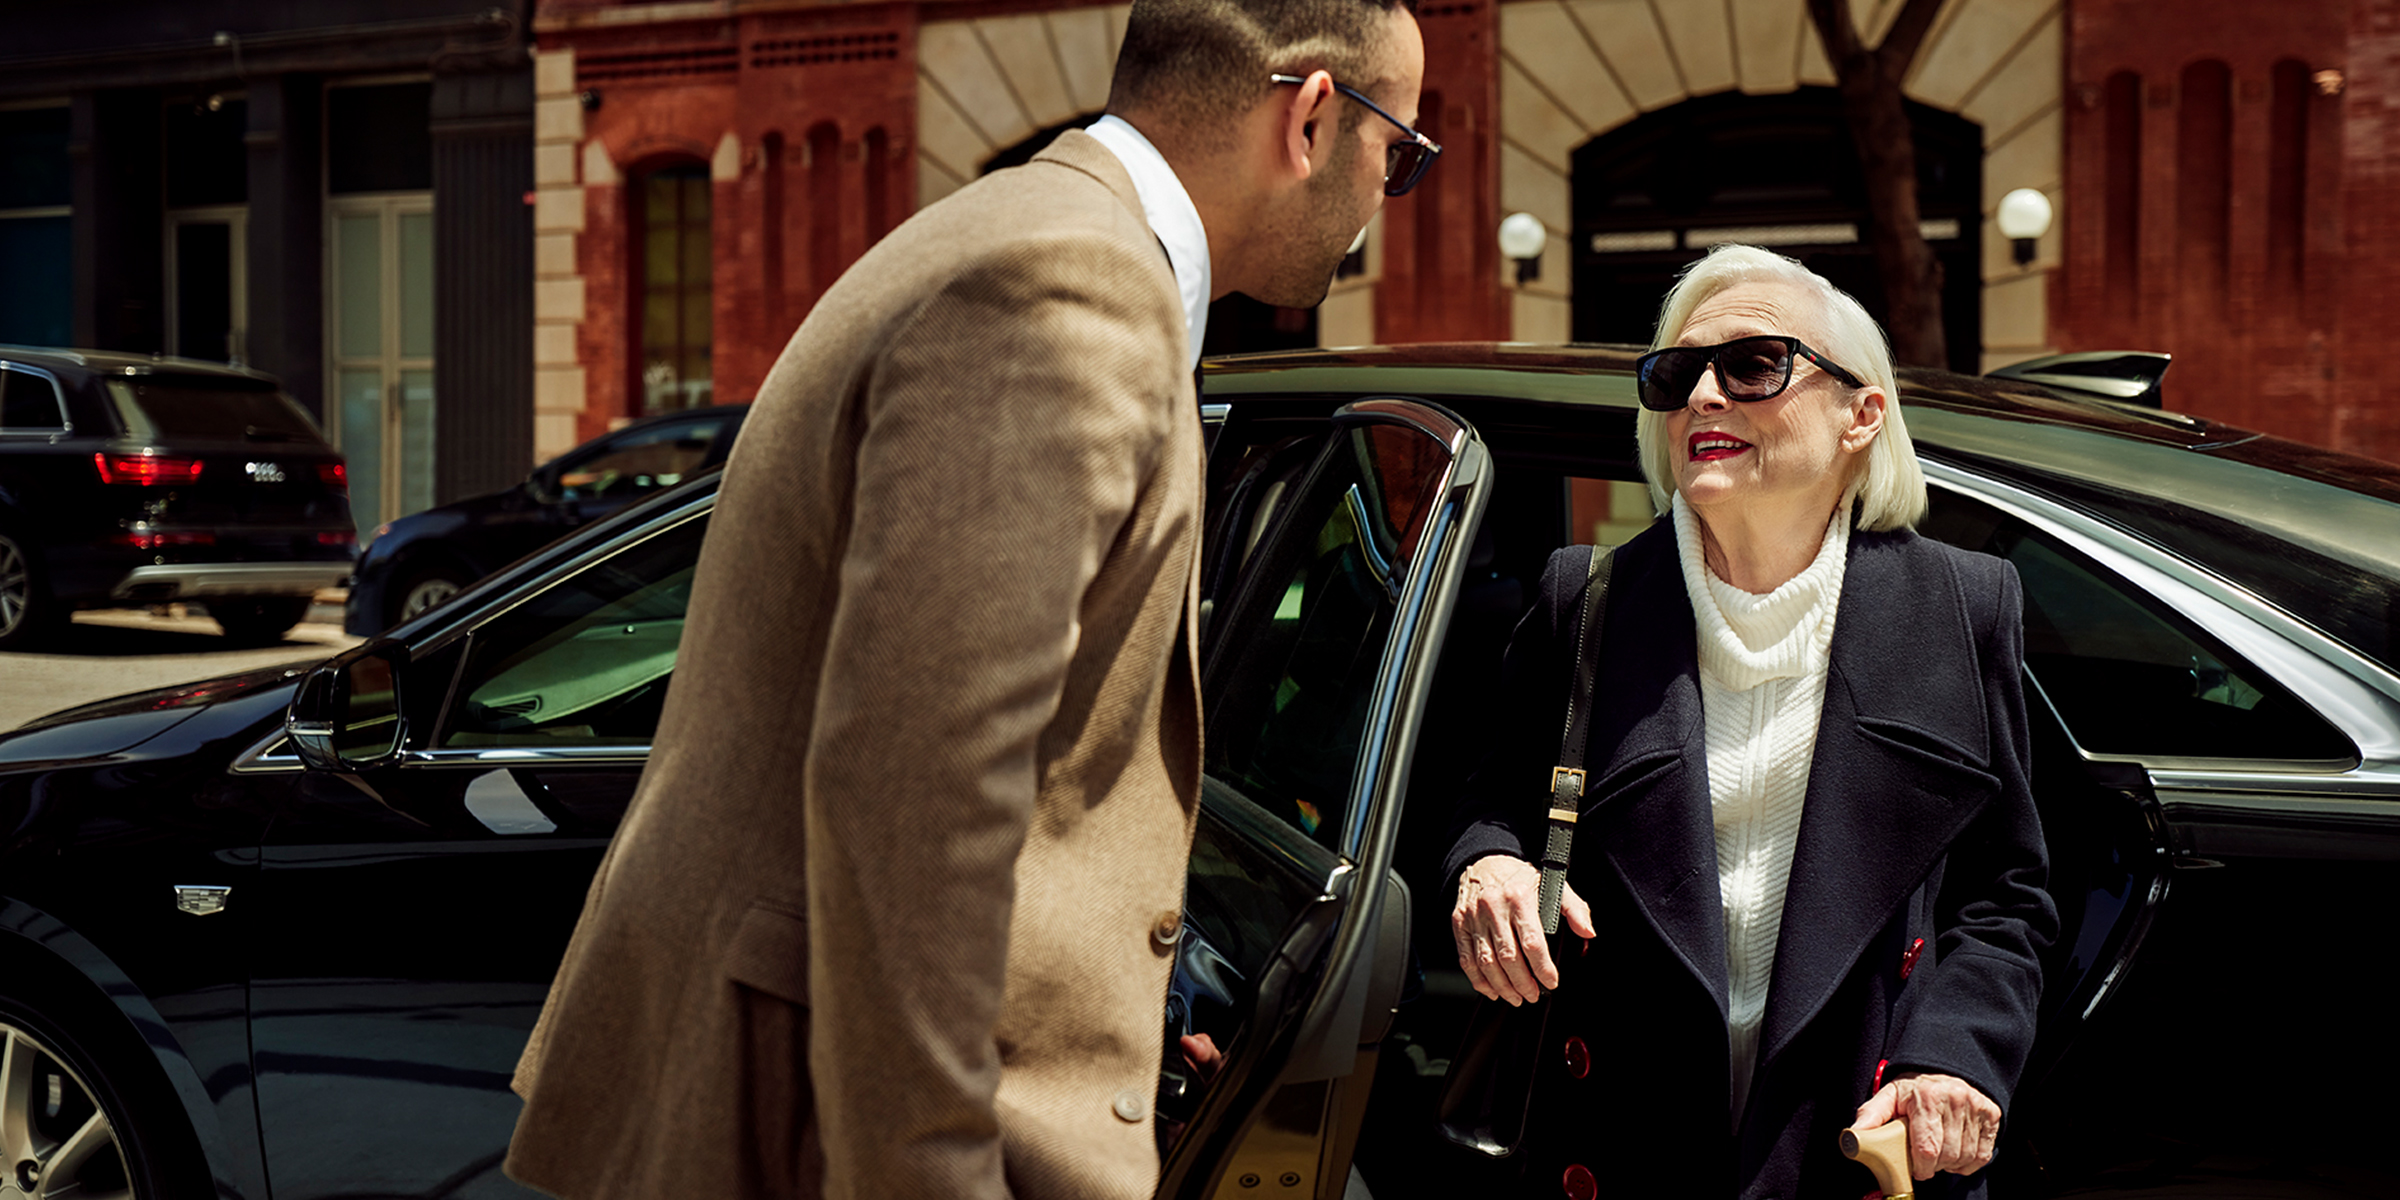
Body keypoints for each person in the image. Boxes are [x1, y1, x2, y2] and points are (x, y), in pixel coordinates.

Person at [502, 2, 1430, 1199]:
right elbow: (914, 780)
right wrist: (929, 1169)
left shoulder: (1018, 228)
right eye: (1395, 152)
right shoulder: (1071, 284)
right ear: (1309, 116)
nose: (1383, 197)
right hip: (821, 1128)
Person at [1443, 244, 2055, 1199]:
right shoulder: (1588, 599)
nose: (1704, 399)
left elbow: (2006, 896)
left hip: (1854, 1138)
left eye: (1754, 365)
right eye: (1677, 374)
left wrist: (1957, 1056)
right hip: (1623, 1141)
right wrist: (1490, 866)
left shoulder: (1962, 609)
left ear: (1863, 415)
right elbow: (1493, 800)